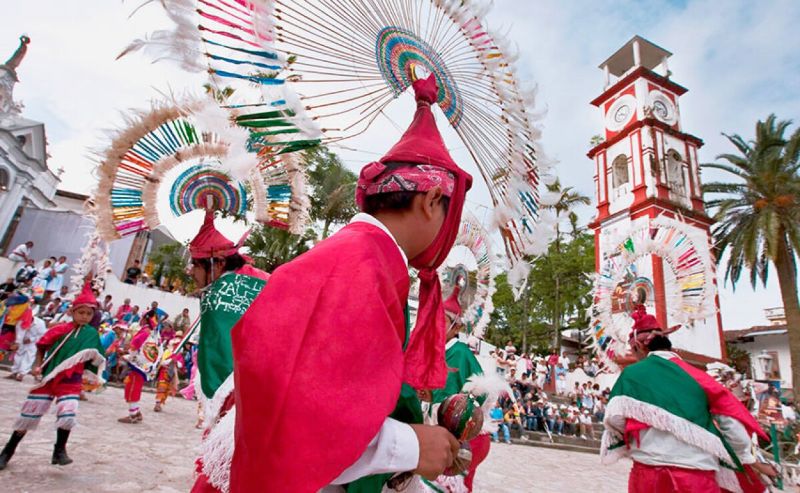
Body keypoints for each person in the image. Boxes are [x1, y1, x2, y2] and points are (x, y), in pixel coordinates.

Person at [229, 74, 472, 492]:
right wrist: (410, 447)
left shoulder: (363, 261)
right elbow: (292, 421)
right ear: (432, 201)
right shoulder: (355, 268)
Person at [602, 305, 775, 493]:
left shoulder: (632, 375)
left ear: (638, 346)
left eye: (633, 352)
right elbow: (735, 430)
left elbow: (613, 419)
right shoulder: (700, 377)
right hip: (698, 477)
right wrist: (734, 454)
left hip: (649, 476)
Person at [184, 210, 270, 492]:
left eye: (194, 264)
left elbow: (227, 359)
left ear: (216, 262)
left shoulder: (223, 291)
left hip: (244, 399)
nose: (189, 271)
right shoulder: (256, 279)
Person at [0, 282, 105, 470]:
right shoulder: (59, 329)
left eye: (89, 314)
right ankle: (7, 451)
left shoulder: (91, 334)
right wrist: (38, 365)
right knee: (29, 414)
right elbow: (41, 346)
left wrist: (92, 375)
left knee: (68, 413)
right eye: (81, 312)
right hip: (49, 377)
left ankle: (59, 450)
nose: (85, 316)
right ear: (72, 312)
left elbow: (96, 357)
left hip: (71, 380)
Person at [117, 322, 161, 424]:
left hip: (138, 368)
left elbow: (135, 348)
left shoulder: (145, 334)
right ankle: (136, 412)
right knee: (133, 388)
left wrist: (128, 356)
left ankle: (133, 415)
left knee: (133, 389)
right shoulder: (153, 336)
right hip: (142, 367)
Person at [8, 310, 46, 381]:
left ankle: (21, 374)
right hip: (22, 342)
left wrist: (31, 339)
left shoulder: (40, 323)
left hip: (33, 343)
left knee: (28, 358)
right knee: (17, 357)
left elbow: (42, 335)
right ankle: (14, 372)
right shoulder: (20, 322)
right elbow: (19, 333)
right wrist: (17, 343)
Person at [154, 337, 183, 412]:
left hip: (172, 375)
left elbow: (181, 365)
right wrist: (171, 360)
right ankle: (157, 404)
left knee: (167, 390)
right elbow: (162, 362)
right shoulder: (167, 352)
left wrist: (176, 362)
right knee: (161, 387)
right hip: (164, 372)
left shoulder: (179, 354)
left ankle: (160, 403)